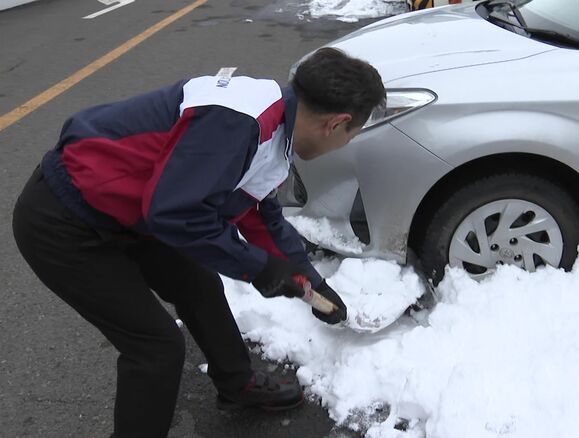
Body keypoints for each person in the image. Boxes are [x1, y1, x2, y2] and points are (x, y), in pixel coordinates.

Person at [12, 47, 385, 438]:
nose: (344, 144)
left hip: (135, 212)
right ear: (336, 123)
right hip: (66, 217)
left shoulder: (277, 127)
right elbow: (175, 215)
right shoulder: (238, 123)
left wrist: (310, 281)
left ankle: (236, 383)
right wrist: (257, 266)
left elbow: (258, 213)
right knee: (156, 349)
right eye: (352, 135)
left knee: (199, 285)